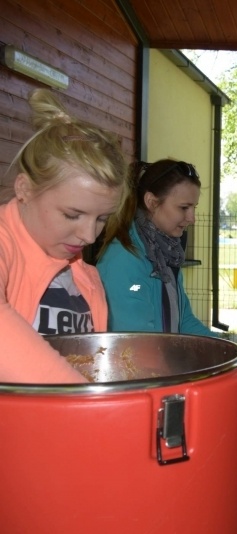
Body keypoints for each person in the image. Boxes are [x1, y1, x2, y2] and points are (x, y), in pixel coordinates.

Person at [0, 88, 128, 383]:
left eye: (102, 219)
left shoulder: (84, 278)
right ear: (24, 189)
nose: (89, 236)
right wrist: (83, 399)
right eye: (72, 215)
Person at [96, 159, 215, 335]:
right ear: (152, 202)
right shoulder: (124, 260)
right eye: (184, 208)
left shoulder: (166, 254)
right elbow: (136, 342)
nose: (192, 218)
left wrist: (229, 347)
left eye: (194, 207)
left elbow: (184, 322)